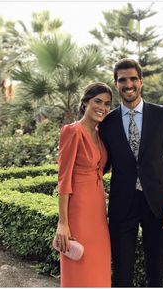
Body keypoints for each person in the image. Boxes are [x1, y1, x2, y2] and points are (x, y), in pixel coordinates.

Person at [99, 59, 163, 287]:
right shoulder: (107, 123)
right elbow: (101, 165)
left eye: (133, 79)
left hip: (157, 205)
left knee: (156, 273)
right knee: (121, 275)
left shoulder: (161, 115)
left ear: (141, 82)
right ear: (116, 84)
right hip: (122, 205)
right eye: (122, 80)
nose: (128, 84)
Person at [52, 82, 112, 287]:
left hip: (98, 211)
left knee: (99, 267)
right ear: (85, 102)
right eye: (97, 101)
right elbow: (64, 179)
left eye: (107, 104)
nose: (102, 107)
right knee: (79, 269)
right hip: (78, 212)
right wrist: (63, 222)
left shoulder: (100, 133)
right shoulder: (72, 131)